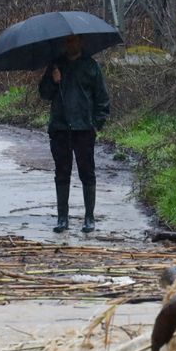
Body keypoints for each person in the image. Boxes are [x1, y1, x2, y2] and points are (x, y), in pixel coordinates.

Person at [38, 32, 110, 233]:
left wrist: (96, 124)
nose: (71, 43)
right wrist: (53, 80)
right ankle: (63, 218)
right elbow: (44, 94)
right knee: (62, 172)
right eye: (68, 40)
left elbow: (102, 99)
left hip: (84, 129)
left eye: (75, 40)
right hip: (60, 128)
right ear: (64, 43)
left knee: (87, 172)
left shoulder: (91, 66)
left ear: (81, 42)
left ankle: (89, 217)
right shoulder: (56, 66)